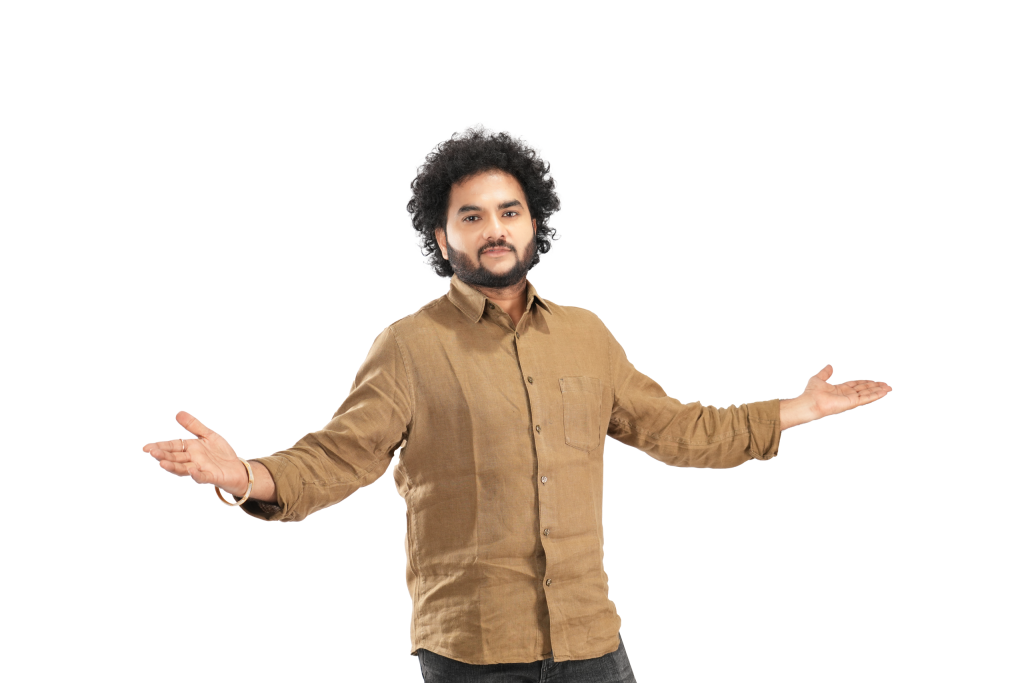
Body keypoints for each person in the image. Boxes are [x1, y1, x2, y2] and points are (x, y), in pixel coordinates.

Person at [142, 121, 892, 683]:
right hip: (471, 653)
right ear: (440, 236)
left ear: (536, 223)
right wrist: (244, 475)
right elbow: (339, 457)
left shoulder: (588, 335)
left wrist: (797, 411)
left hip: (593, 642)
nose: (494, 229)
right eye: (471, 216)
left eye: (509, 211)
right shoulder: (408, 345)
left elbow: (678, 430)